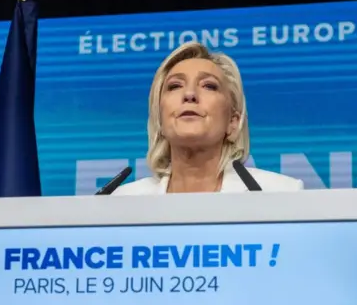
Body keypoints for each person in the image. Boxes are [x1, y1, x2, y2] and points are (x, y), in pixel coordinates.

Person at [113, 42, 303, 194]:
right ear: (160, 120)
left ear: (233, 122)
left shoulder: (280, 194)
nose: (189, 94)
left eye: (209, 86)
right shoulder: (122, 203)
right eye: (175, 86)